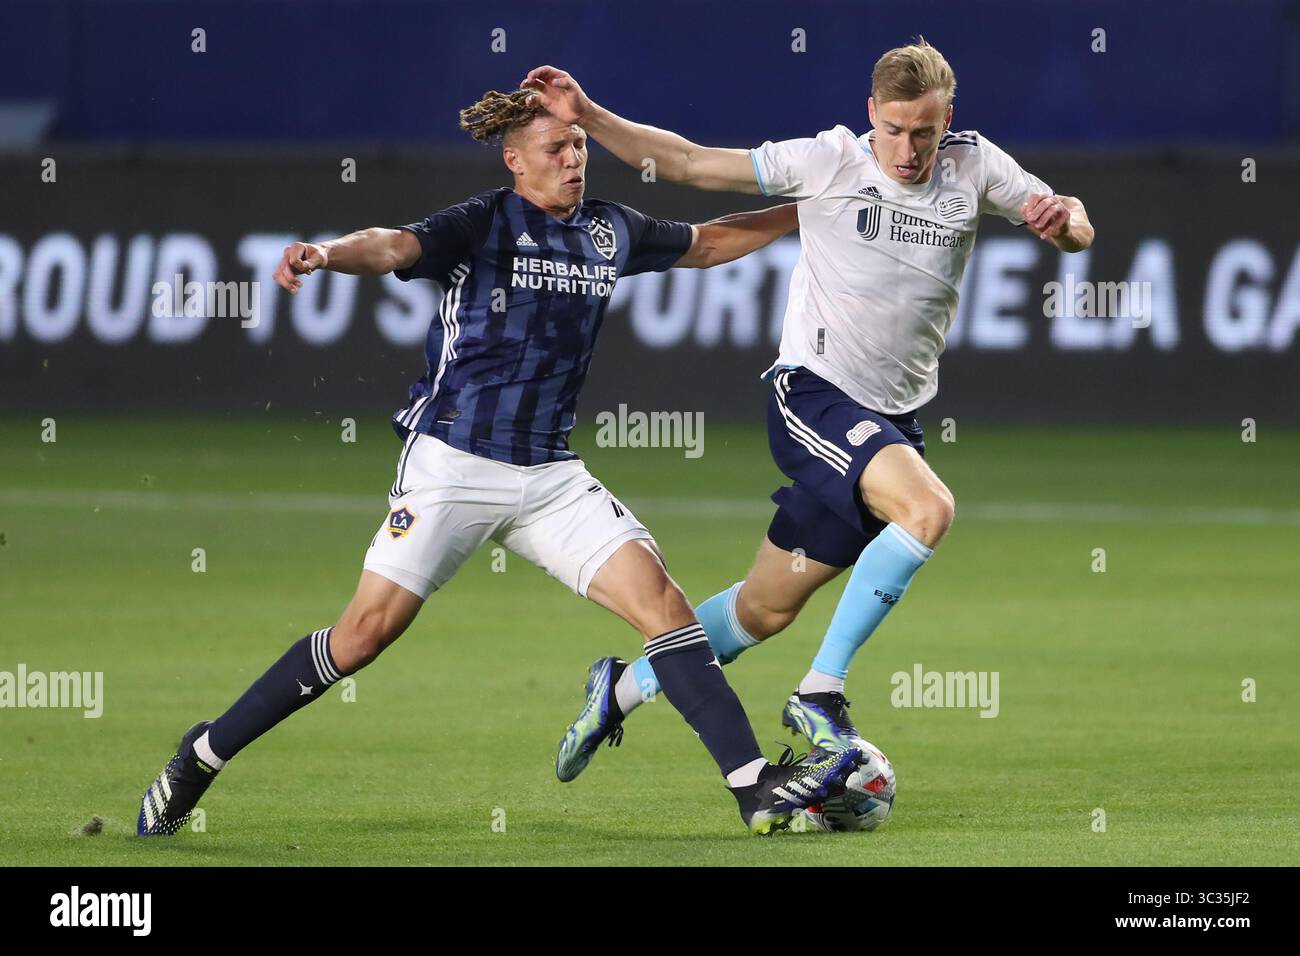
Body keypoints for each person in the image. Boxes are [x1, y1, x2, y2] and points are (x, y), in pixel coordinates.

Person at [136, 89, 860, 839]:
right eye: (557, 150)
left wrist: (811, 209)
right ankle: (204, 753)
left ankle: (752, 788)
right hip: (454, 462)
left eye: (580, 147)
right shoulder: (484, 222)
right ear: (515, 161)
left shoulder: (611, 230)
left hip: (549, 475)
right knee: (361, 637)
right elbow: (393, 245)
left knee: (666, 608)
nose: (575, 160)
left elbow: (709, 241)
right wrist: (327, 253)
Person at [526, 39, 1094, 776]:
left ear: (946, 119)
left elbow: (1076, 223)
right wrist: (591, 114)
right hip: (815, 395)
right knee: (928, 511)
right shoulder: (828, 160)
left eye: (923, 131)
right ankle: (821, 693)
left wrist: (1066, 223)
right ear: (871, 115)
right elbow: (693, 162)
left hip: (892, 420)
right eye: (892, 129)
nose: (906, 148)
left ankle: (621, 689)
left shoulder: (976, 163)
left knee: (763, 609)